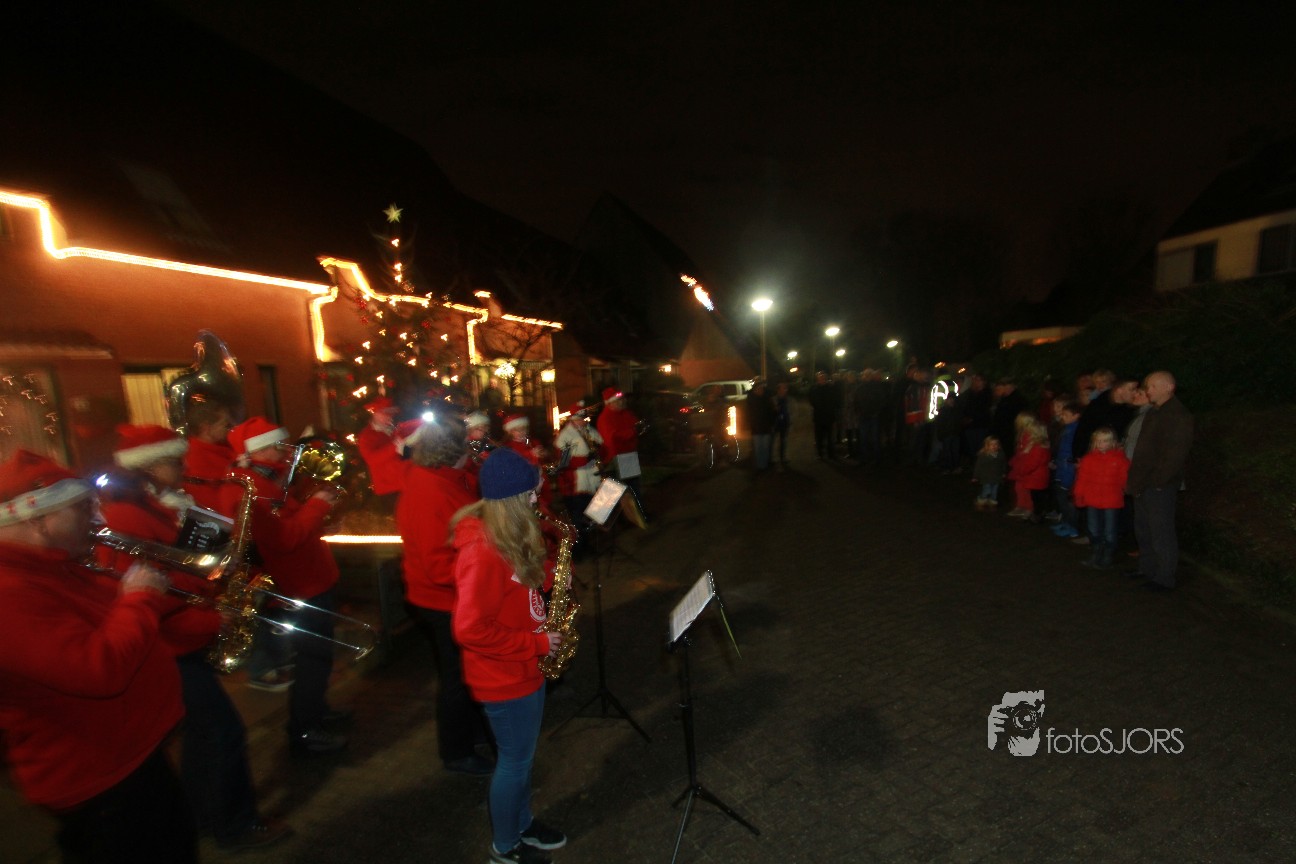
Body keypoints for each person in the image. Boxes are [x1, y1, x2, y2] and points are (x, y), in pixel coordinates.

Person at [99, 425, 291, 850]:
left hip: (184, 638)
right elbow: (151, 590)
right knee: (223, 733)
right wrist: (212, 614)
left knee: (205, 736)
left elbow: (176, 571)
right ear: (149, 466)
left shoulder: (163, 504)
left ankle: (201, 814)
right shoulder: (129, 516)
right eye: (174, 461)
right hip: (170, 646)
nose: (183, 467)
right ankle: (235, 826)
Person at [0, 449, 197, 863]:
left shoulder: (54, 565)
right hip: (100, 782)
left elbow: (115, 618)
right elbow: (97, 670)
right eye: (81, 509)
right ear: (38, 519)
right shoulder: (9, 591)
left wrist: (182, 599)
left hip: (130, 759)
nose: (96, 519)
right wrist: (140, 598)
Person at [450, 449, 568, 863]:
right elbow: (469, 629)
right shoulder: (482, 551)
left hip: (523, 668)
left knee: (522, 759)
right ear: (512, 501)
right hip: (503, 677)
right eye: (531, 495)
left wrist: (551, 576)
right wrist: (536, 645)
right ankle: (505, 847)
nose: (537, 501)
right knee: (514, 763)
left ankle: (522, 822)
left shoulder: (507, 535)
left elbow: (518, 585)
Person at [222, 417, 348, 753]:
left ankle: (316, 711)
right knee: (312, 658)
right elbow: (284, 539)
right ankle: (304, 729)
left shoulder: (267, 480)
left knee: (318, 657)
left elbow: (292, 525)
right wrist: (318, 503)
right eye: (278, 445)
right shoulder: (251, 488)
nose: (286, 451)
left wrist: (319, 520)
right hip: (300, 585)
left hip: (311, 577)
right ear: (259, 449)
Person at [396, 416, 495, 776]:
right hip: (442, 601)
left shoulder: (442, 478)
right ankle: (456, 751)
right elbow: (438, 566)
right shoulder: (431, 490)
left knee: (467, 672)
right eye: (466, 443)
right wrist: (488, 572)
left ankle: (472, 731)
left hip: (451, 596)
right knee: (456, 677)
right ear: (453, 450)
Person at [1125, 371, 1194, 591]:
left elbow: (1175, 455)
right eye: (1148, 386)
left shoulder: (1178, 415)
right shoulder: (1155, 412)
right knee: (1144, 529)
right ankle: (1147, 568)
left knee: (1161, 532)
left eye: (1153, 386)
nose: (1148, 390)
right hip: (1144, 482)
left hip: (1158, 485)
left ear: (1169, 387)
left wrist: (1158, 481)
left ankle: (1164, 578)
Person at [1073, 427, 1130, 570]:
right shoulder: (1088, 459)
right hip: (1092, 499)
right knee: (1093, 529)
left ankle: (1107, 555)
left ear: (1112, 442)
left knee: (1110, 531)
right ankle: (1096, 552)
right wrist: (1079, 495)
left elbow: (1124, 479)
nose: (1101, 444)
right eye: (1098, 441)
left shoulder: (1120, 460)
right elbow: (1082, 479)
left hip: (1111, 500)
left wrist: (1126, 489)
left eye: (1105, 441)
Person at [553, 401, 604, 529]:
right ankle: (579, 538)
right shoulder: (565, 436)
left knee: (592, 510)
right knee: (578, 514)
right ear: (574, 419)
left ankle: (591, 533)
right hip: (575, 482)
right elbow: (564, 462)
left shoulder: (590, 430)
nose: (584, 421)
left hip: (592, 477)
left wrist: (599, 450)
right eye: (581, 419)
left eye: (584, 418)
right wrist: (585, 459)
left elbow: (602, 446)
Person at [596, 386, 642, 506]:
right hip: (616, 457)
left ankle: (636, 512)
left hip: (628, 455)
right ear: (610, 403)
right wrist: (632, 432)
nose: (622, 402)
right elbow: (613, 437)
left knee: (631, 488)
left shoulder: (625, 413)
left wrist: (639, 428)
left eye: (622, 399)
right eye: (618, 400)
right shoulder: (605, 418)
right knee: (615, 491)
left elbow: (634, 425)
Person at [1006, 414, 1050, 521]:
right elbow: (1021, 454)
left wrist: (1022, 469)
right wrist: (1015, 463)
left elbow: (1032, 462)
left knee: (1030, 493)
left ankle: (1029, 509)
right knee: (1020, 489)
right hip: (1026, 471)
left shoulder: (1038, 447)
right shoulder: (1027, 440)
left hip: (1033, 474)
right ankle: (1021, 506)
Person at [1049, 402, 1083, 540]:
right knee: (1061, 496)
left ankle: (1072, 526)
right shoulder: (1066, 429)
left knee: (1067, 499)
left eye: (1066, 415)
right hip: (1062, 466)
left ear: (1076, 416)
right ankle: (1065, 522)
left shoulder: (1075, 431)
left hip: (1068, 468)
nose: (1062, 417)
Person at [745, 378, 777, 471]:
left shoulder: (767, 398)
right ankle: (760, 466)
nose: (760, 390)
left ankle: (764, 465)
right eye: (758, 388)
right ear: (755, 390)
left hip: (766, 427)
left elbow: (772, 412)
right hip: (756, 428)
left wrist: (772, 423)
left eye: (762, 388)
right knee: (758, 448)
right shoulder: (751, 399)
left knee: (765, 447)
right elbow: (748, 413)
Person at [808, 371, 838, 460]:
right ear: (818, 379)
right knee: (819, 436)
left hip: (828, 416)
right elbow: (811, 399)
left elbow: (835, 400)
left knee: (829, 437)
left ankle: (830, 453)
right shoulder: (814, 389)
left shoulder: (831, 388)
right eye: (820, 378)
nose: (822, 380)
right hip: (819, 416)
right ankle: (820, 453)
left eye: (823, 378)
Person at [972, 435, 1006, 510]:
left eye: (996, 444)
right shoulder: (983, 455)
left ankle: (992, 500)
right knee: (987, 489)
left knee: (994, 490)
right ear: (987, 446)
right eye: (991, 444)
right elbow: (978, 466)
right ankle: (982, 499)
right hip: (986, 477)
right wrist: (975, 476)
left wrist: (1003, 472)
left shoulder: (1001, 454)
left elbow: (1003, 464)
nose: (994, 446)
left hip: (997, 476)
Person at [772, 382, 792, 465]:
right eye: (783, 388)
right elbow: (771, 411)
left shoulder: (788, 399)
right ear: (778, 390)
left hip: (784, 423)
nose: (785, 390)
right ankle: (772, 458)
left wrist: (790, 420)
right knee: (773, 441)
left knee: (783, 441)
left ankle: (782, 458)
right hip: (775, 423)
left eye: (785, 388)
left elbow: (790, 410)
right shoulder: (774, 399)